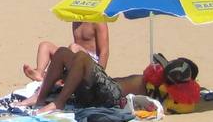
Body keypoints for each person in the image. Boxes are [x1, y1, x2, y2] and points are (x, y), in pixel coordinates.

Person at [16, 46, 148, 115]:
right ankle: (40, 98)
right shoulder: (147, 79)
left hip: (111, 94)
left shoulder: (150, 83)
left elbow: (104, 51)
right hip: (97, 89)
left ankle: (59, 103)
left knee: (81, 56)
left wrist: (96, 71)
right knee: (62, 51)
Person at [23, 0, 110, 80]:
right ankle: (39, 73)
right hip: (76, 60)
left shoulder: (97, 20)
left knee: (73, 47)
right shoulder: (76, 20)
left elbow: (104, 51)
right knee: (45, 45)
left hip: (92, 64)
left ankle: (62, 77)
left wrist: (101, 76)